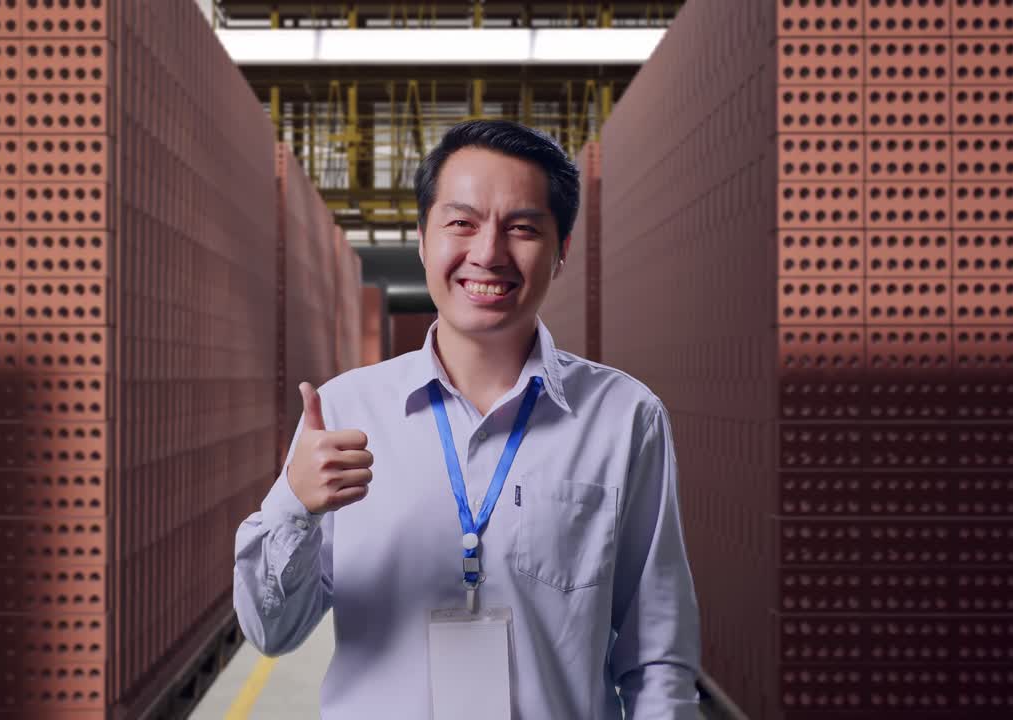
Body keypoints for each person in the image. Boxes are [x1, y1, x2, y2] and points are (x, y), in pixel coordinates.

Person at [233, 119, 700, 718]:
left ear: (560, 251)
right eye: (462, 223)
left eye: (522, 228)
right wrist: (293, 506)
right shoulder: (346, 412)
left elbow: (658, 655)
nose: (488, 252)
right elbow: (272, 632)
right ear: (424, 240)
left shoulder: (624, 419)